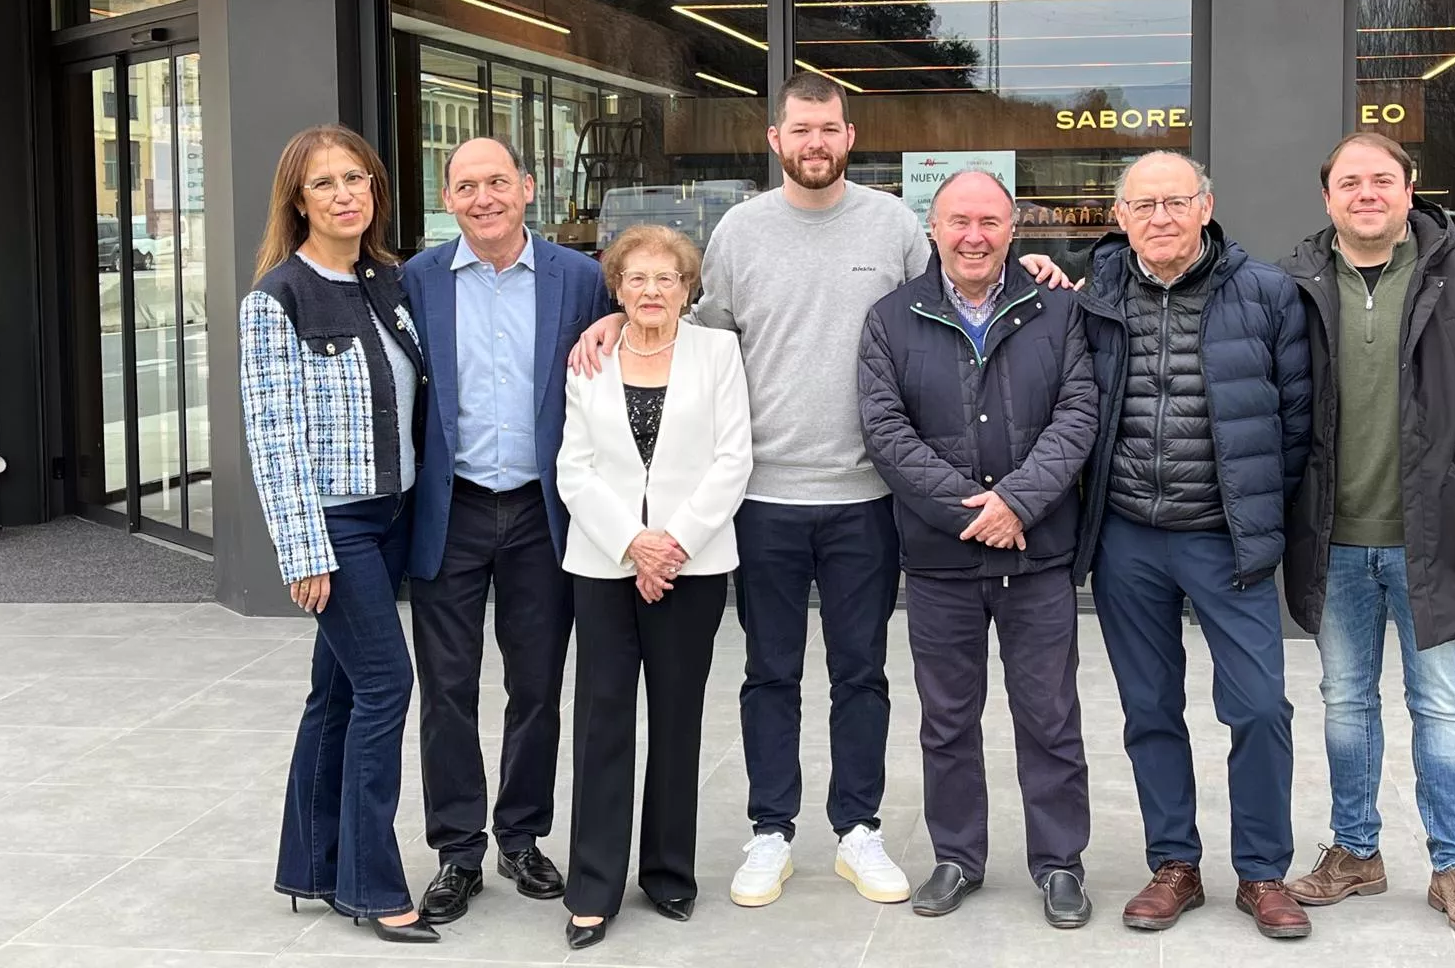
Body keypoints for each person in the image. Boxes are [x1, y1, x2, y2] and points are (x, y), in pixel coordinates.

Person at [572, 71, 1067, 909]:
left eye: (828, 129)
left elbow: (953, 292)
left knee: (860, 671)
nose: (814, 143)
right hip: (761, 496)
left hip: (870, 495)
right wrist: (624, 316)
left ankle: (858, 829)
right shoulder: (738, 232)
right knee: (769, 672)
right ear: (776, 140)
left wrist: (1036, 270)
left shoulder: (894, 225)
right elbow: (695, 331)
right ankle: (771, 831)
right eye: (799, 129)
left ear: (849, 135)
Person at [1280, 132, 1455, 937]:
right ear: (1327, 197)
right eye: (1348, 182)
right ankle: (1355, 853)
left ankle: (1454, 867)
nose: (1365, 193)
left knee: (1439, 705)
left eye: (1381, 180)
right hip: (1332, 539)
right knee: (1343, 702)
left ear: (1410, 191)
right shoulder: (1297, 283)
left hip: (1434, 540)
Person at [1074, 151, 1314, 939]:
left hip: (1225, 541)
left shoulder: (1269, 293)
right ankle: (1173, 864)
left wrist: (1257, 517)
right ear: (1120, 219)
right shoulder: (1094, 294)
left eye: (1176, 201)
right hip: (1126, 542)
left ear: (1206, 205)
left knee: (1259, 708)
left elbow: (1296, 425)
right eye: (1142, 206)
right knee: (1149, 710)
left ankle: (1263, 873)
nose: (1160, 218)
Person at [858, 170, 1098, 927]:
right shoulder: (891, 319)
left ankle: (1060, 862)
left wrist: (1018, 502)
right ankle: (958, 856)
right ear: (933, 228)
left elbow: (1078, 414)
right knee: (947, 721)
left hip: (1037, 557)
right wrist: (976, 511)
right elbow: (885, 432)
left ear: (1012, 228)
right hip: (942, 562)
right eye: (959, 220)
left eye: (990, 221)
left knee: (1050, 718)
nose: (974, 236)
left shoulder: (1058, 311)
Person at [402, 136, 608, 925]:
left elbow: (642, 327)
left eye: (497, 181)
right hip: (447, 508)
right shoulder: (413, 281)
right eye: (465, 185)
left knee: (537, 685)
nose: (483, 197)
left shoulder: (580, 279)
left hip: (539, 510)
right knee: (447, 689)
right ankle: (457, 850)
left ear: (527, 187)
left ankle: (519, 836)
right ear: (447, 199)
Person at [239, 124, 435, 944]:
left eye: (357, 178)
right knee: (387, 688)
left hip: (396, 514)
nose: (345, 194)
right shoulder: (276, 299)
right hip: (338, 524)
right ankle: (370, 883)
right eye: (325, 183)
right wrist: (304, 549)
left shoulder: (390, 281)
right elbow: (272, 435)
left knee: (340, 692)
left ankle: (313, 866)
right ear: (297, 199)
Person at [556, 224, 753, 950]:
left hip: (691, 566)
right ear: (616, 287)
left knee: (677, 719)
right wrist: (631, 542)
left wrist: (671, 543)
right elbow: (573, 466)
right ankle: (593, 887)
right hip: (604, 565)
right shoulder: (592, 356)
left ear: (687, 288)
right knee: (602, 721)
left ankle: (669, 874)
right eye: (636, 279)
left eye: (665, 279)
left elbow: (734, 457)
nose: (650, 292)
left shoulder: (717, 352)